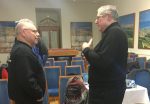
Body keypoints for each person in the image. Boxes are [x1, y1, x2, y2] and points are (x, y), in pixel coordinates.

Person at [82, 5, 128, 104]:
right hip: (105, 91)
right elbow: (106, 59)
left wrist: (86, 49)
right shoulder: (112, 32)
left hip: (106, 93)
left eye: (98, 17)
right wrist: (90, 57)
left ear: (108, 17)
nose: (95, 21)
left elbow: (102, 61)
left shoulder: (115, 32)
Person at [8, 19, 46, 104]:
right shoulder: (22, 52)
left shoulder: (21, 49)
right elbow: (28, 80)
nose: (38, 34)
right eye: (34, 31)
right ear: (24, 32)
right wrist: (38, 94)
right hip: (29, 100)